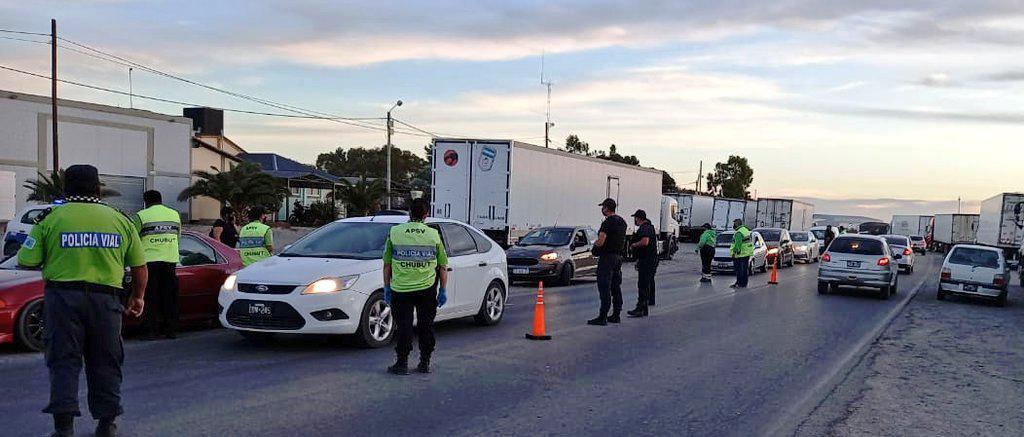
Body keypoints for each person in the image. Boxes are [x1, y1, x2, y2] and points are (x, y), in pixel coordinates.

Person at [17, 164, 148, 437]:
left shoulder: (50, 219)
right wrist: (138, 296)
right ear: (98, 188)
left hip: (62, 300)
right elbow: (139, 266)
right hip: (106, 302)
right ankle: (107, 423)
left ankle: (63, 427)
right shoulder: (120, 220)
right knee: (106, 361)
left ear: (66, 188)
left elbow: (26, 259)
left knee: (63, 361)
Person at [382, 198, 448, 375]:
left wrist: (387, 288)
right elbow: (442, 266)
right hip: (427, 288)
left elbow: (387, 264)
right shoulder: (433, 234)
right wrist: (442, 290)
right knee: (425, 326)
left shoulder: (395, 232)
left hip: (401, 289)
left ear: (409, 212)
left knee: (404, 326)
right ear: (426, 215)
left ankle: (402, 364)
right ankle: (424, 362)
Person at [133, 190, 181, 340]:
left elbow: (132, 238)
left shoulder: (141, 215)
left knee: (150, 297)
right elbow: (178, 237)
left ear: (146, 201)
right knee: (169, 297)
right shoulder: (174, 215)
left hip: (149, 262)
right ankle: (171, 330)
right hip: (170, 260)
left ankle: (150, 331)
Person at [588, 198, 627, 326]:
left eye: (603, 207)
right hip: (618, 257)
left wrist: (594, 246)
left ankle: (602, 316)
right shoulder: (622, 222)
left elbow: (601, 240)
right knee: (616, 286)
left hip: (607, 257)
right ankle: (616, 314)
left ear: (606, 208)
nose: (602, 209)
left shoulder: (607, 223)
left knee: (604, 286)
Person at [627, 209, 657, 317]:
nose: (634, 220)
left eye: (635, 218)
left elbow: (645, 242)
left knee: (643, 284)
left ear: (638, 218)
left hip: (647, 261)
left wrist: (634, 245)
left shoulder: (646, 228)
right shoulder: (648, 227)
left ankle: (640, 308)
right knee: (645, 284)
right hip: (647, 260)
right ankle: (643, 309)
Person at [730, 219, 754, 288]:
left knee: (739, 270)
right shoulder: (745, 230)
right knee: (744, 269)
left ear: (737, 224)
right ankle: (744, 283)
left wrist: (734, 253)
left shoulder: (739, 232)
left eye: (734, 224)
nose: (733, 225)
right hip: (746, 253)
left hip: (740, 254)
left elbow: (738, 244)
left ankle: (739, 283)